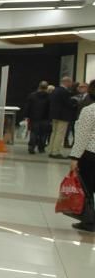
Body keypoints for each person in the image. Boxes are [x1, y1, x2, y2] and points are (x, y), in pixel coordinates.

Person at [69, 83, 95, 232]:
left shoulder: (89, 111)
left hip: (90, 155)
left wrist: (74, 157)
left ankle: (89, 221)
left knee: (87, 188)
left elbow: (82, 137)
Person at [50, 76, 76, 159]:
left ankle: (51, 150)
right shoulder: (64, 92)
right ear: (66, 82)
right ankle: (56, 152)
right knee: (60, 134)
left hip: (54, 115)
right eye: (70, 82)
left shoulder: (55, 90)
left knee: (54, 133)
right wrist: (74, 102)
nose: (71, 84)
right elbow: (67, 103)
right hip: (63, 116)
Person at [23, 81, 52, 154]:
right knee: (44, 134)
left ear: (39, 87)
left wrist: (26, 116)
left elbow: (27, 107)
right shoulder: (49, 97)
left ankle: (31, 147)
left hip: (34, 118)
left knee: (33, 133)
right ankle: (41, 148)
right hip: (45, 118)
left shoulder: (32, 95)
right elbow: (51, 108)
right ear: (46, 88)